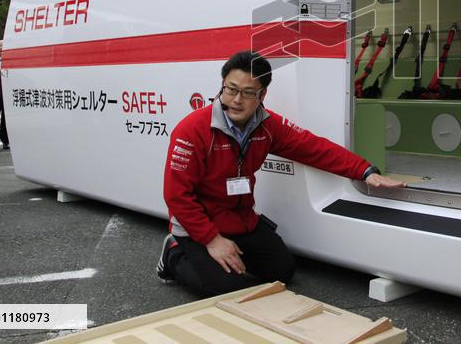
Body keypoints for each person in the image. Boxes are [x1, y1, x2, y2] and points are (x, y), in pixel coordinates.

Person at [157, 50, 405, 296]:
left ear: (262, 94)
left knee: (281, 270)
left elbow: (313, 147)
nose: (236, 100)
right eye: (230, 89)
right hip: (199, 225)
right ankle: (173, 253)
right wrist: (212, 240)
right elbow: (177, 196)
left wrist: (364, 170)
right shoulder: (192, 130)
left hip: (240, 221)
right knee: (225, 287)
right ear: (222, 85)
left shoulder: (268, 125)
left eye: (248, 93)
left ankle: (224, 258)